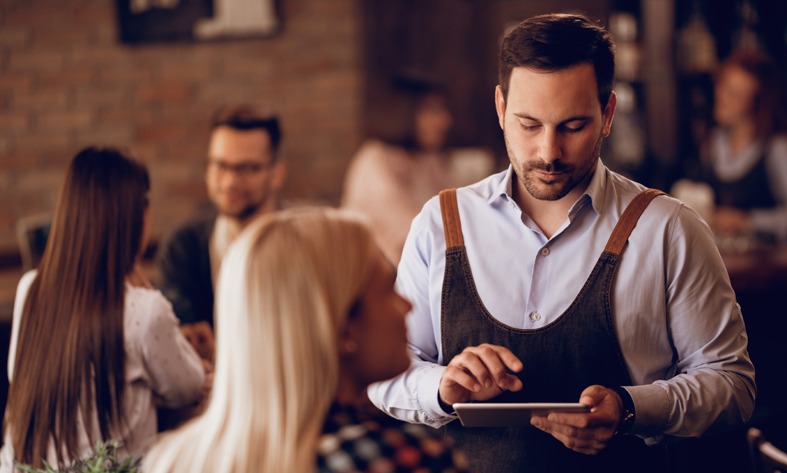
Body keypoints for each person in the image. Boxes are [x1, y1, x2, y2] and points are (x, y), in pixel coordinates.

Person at [368, 13, 756, 473]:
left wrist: (631, 408)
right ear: (500, 108)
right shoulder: (441, 223)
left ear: (608, 114)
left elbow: (732, 385)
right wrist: (441, 386)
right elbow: (385, 375)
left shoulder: (669, 229)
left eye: (572, 126)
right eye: (529, 125)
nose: (548, 153)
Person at [144, 209, 469, 473]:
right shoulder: (406, 457)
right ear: (343, 329)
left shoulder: (171, 461)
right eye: (387, 291)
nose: (408, 305)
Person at [0, 148, 206, 472]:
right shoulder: (143, 309)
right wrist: (143, 282)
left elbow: (17, 375)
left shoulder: (30, 288)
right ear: (137, 217)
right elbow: (190, 388)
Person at [156, 105, 286, 360]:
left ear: (277, 174)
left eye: (246, 168)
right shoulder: (183, 246)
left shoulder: (306, 241)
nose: (230, 181)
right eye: (220, 165)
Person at [341, 78, 466, 266]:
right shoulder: (375, 160)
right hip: (379, 277)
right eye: (432, 110)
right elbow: (416, 233)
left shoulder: (429, 160)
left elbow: (462, 211)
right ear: (403, 113)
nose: (445, 120)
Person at [703, 50, 787, 240]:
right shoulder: (715, 142)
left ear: (757, 103)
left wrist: (747, 221)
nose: (722, 96)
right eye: (722, 85)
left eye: (734, 94)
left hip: (770, 258)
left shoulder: (780, 147)